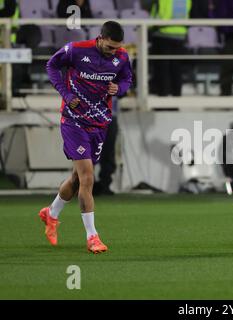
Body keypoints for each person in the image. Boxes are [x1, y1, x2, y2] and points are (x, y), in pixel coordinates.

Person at [40, 21, 132, 254]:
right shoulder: (76, 49)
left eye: (117, 48)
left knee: (78, 180)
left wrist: (118, 89)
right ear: (100, 38)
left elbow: (126, 80)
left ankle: (50, 214)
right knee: (88, 178)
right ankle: (92, 237)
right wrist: (66, 93)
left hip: (99, 123)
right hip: (73, 121)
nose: (115, 51)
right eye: (110, 47)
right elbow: (51, 66)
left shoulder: (121, 57)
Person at [148, 0, 192, 96]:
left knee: (162, 70)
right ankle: (176, 100)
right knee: (176, 70)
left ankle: (163, 98)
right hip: (180, 35)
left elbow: (153, 19)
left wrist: (149, 27)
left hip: (162, 35)